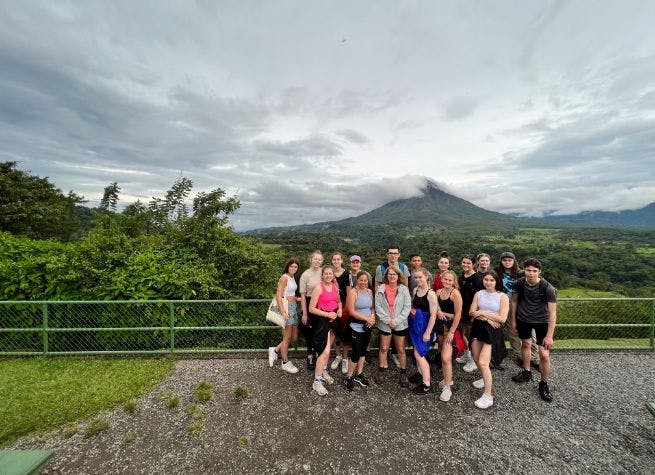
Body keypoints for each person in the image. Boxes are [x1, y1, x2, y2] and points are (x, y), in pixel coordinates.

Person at [511, 258, 557, 402]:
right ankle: (526, 371)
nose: (531, 273)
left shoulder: (547, 288)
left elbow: (553, 313)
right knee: (525, 344)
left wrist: (549, 336)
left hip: (542, 321)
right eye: (528, 270)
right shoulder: (519, 283)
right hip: (523, 319)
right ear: (524, 270)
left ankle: (544, 383)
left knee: (543, 354)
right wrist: (513, 320)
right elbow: (514, 301)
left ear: (539, 272)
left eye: (534, 271)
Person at [468, 271, 509, 409]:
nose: (488, 282)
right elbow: (472, 312)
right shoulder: (479, 294)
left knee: (483, 362)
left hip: (492, 331)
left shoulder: (502, 296)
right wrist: (486, 317)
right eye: (486, 279)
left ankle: (488, 395)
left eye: (492, 280)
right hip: (479, 327)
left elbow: (502, 319)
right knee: (475, 356)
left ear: (497, 281)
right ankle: (485, 378)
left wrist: (482, 312)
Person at [495, 252, 539, 368]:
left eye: (509, 260)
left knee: (530, 333)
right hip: (504, 304)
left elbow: (536, 281)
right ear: (501, 261)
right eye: (504, 260)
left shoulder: (520, 273)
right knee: (512, 331)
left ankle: (534, 357)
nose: (507, 262)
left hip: (522, 304)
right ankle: (520, 356)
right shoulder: (497, 272)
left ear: (514, 261)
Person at [374, 265, 411, 387]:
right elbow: (378, 307)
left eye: (394, 274)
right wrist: (388, 320)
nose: (392, 276)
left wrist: (396, 321)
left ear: (399, 276)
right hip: (385, 324)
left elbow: (407, 308)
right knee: (384, 348)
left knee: (400, 349)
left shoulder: (404, 289)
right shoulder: (380, 289)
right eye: (389, 274)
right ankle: (381, 371)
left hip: (399, 324)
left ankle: (403, 373)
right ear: (386, 276)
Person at [309, 265, 343, 396]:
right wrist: (327, 314)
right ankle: (317, 381)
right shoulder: (319, 287)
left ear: (333, 275)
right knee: (324, 352)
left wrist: (339, 309)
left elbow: (339, 302)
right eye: (326, 274)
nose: (328, 276)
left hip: (334, 320)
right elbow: (312, 308)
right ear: (322, 275)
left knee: (327, 352)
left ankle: (323, 371)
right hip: (323, 321)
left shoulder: (335, 286)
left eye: (330, 274)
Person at [408, 267, 438, 394]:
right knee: (417, 352)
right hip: (416, 324)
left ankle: (427, 384)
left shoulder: (431, 294)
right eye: (416, 277)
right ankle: (421, 375)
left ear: (426, 277)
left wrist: (428, 332)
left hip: (425, 326)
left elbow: (433, 315)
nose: (418, 279)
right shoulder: (416, 290)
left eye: (420, 277)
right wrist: (412, 310)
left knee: (419, 354)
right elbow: (414, 306)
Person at [268, 258, 302, 373]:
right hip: (286, 309)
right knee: (287, 338)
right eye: (291, 266)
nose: (293, 268)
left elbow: (290, 293)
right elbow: (278, 296)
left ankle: (276, 350)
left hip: (293, 307)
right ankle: (285, 362)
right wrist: (283, 312)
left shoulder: (292, 277)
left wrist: (297, 298)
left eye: (295, 267)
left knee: (294, 337)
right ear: (287, 266)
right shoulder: (284, 277)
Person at [344, 271, 376, 391]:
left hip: (367, 325)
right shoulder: (353, 292)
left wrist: (372, 317)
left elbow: (371, 307)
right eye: (361, 280)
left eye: (365, 280)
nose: (363, 282)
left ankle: (359, 374)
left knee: (363, 351)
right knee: (356, 352)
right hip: (356, 326)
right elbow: (351, 311)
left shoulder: (369, 291)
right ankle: (349, 376)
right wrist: (366, 318)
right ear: (357, 280)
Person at [435, 270, 463, 402]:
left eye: (450, 280)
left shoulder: (455, 294)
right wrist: (440, 311)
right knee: (443, 354)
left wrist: (452, 331)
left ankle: (447, 388)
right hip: (440, 326)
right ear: (441, 279)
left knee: (446, 357)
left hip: (451, 328)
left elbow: (458, 315)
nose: (447, 282)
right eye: (445, 279)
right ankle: (448, 378)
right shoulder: (438, 292)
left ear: (454, 281)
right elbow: (435, 307)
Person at [456, 254, 484, 372]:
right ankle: (467, 354)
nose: (466, 265)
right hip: (461, 311)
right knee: (462, 334)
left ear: (474, 264)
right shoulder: (462, 276)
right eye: (464, 262)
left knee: (472, 337)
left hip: (472, 312)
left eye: (468, 263)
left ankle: (473, 360)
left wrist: (475, 314)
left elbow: (481, 298)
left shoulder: (477, 279)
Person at [299, 250, 323, 371]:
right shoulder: (305, 275)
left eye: (319, 259)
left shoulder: (322, 272)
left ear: (322, 261)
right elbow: (303, 296)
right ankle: (310, 355)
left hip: (321, 304)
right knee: (309, 332)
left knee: (319, 332)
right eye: (315, 259)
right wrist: (304, 313)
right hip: (308, 303)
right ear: (311, 259)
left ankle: (318, 354)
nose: (317, 261)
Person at [330, 252, 350, 374]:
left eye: (338, 259)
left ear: (342, 260)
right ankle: (338, 355)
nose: (336, 261)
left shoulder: (346, 274)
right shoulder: (329, 273)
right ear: (332, 261)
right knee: (334, 332)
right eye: (334, 259)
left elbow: (348, 293)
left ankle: (345, 357)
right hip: (331, 306)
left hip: (343, 306)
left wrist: (345, 309)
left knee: (345, 332)